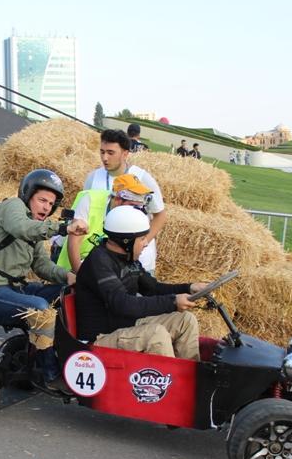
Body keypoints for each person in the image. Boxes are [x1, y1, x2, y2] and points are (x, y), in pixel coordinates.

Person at [0, 169, 88, 392]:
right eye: (42, 200)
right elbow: (21, 228)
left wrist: (70, 277)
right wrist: (63, 228)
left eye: (51, 204)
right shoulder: (13, 207)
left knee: (66, 293)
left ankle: (66, 357)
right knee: (41, 309)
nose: (46, 208)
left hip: (16, 290)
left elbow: (42, 266)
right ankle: (51, 374)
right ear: (27, 195)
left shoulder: (34, 227)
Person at [75, 206, 210, 359]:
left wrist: (189, 287)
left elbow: (152, 288)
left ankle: (191, 372)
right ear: (126, 241)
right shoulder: (99, 261)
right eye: (142, 239)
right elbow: (123, 304)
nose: (146, 243)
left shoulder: (128, 259)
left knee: (185, 320)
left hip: (124, 327)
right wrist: (172, 302)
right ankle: (171, 374)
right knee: (155, 334)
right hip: (99, 339)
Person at [81, 128, 166, 258]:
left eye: (111, 153)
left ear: (125, 154)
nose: (104, 158)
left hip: (139, 258)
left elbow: (160, 215)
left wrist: (143, 243)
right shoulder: (92, 178)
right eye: (102, 152)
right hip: (102, 254)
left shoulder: (142, 178)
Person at [60, 173, 158, 274]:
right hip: (73, 268)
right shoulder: (90, 199)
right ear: (118, 200)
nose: (135, 210)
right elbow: (74, 242)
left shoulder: (133, 214)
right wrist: (79, 275)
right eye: (132, 205)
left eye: (139, 206)